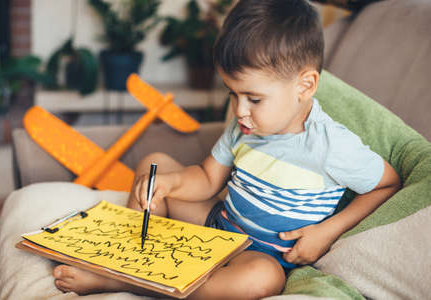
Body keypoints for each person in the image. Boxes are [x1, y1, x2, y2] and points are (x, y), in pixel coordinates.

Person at [53, 0, 401, 299]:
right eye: (232, 94)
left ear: (305, 85)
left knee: (262, 280)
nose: (239, 111)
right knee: (154, 164)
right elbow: (207, 178)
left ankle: (137, 283)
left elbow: (387, 184)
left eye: (254, 98)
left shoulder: (331, 144)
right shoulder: (245, 126)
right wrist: (170, 185)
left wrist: (327, 232)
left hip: (261, 256)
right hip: (218, 224)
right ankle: (130, 260)